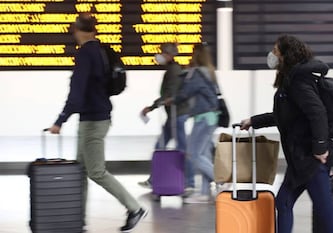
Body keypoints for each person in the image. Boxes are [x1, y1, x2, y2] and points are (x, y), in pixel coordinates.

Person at [48, 14, 147, 233]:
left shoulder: (85, 54)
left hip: (93, 120)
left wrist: (60, 121)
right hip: (97, 117)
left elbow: (77, 92)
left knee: (96, 171)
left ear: (76, 30)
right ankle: (78, 220)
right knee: (81, 170)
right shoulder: (101, 51)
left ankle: (135, 208)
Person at [240, 35, 333, 233]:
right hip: (300, 157)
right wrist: (254, 121)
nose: (272, 55)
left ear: (286, 55)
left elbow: (317, 113)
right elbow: (285, 115)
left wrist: (320, 148)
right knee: (283, 202)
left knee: (325, 212)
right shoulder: (292, 80)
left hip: (311, 157)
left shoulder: (299, 81)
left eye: (275, 51)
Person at [138, 43, 195, 194]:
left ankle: (189, 182)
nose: (159, 55)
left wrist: (152, 107)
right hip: (174, 115)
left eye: (162, 52)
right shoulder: (172, 69)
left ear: (169, 54)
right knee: (160, 146)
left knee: (182, 148)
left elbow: (170, 95)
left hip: (178, 114)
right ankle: (154, 179)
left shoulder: (174, 70)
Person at [166, 43, 219, 204]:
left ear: (197, 55)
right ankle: (203, 193)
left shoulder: (197, 73)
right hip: (210, 117)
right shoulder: (208, 72)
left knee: (194, 154)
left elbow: (186, 92)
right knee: (204, 155)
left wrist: (172, 99)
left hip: (203, 118)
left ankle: (223, 182)